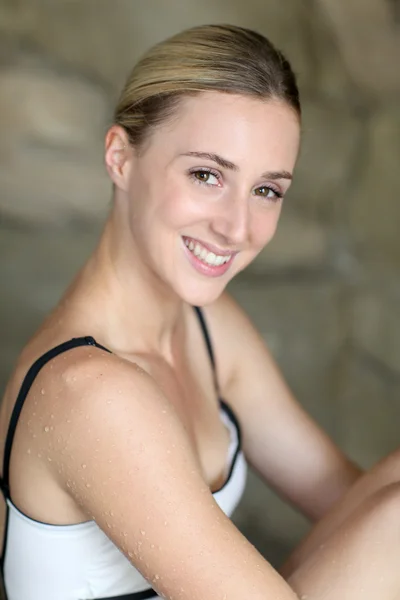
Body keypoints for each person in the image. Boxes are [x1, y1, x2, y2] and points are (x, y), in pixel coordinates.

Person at [1, 23, 400, 600]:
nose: (237, 227)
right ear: (120, 157)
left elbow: (346, 497)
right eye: (207, 175)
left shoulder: (208, 326)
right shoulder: (88, 392)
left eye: (267, 190)